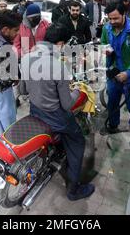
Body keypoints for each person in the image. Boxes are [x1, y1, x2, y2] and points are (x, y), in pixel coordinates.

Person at [20, 24, 95, 201]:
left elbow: (23, 90)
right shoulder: (58, 67)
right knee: (77, 142)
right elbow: (67, 104)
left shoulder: (26, 58)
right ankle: (73, 191)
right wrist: (78, 89)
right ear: (60, 43)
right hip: (56, 117)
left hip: (34, 111)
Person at [101, 2, 130, 136]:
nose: (112, 22)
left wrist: (129, 72)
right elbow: (103, 44)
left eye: (116, 18)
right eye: (110, 19)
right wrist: (105, 50)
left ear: (124, 14)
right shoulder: (106, 28)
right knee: (112, 102)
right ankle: (113, 125)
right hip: (113, 72)